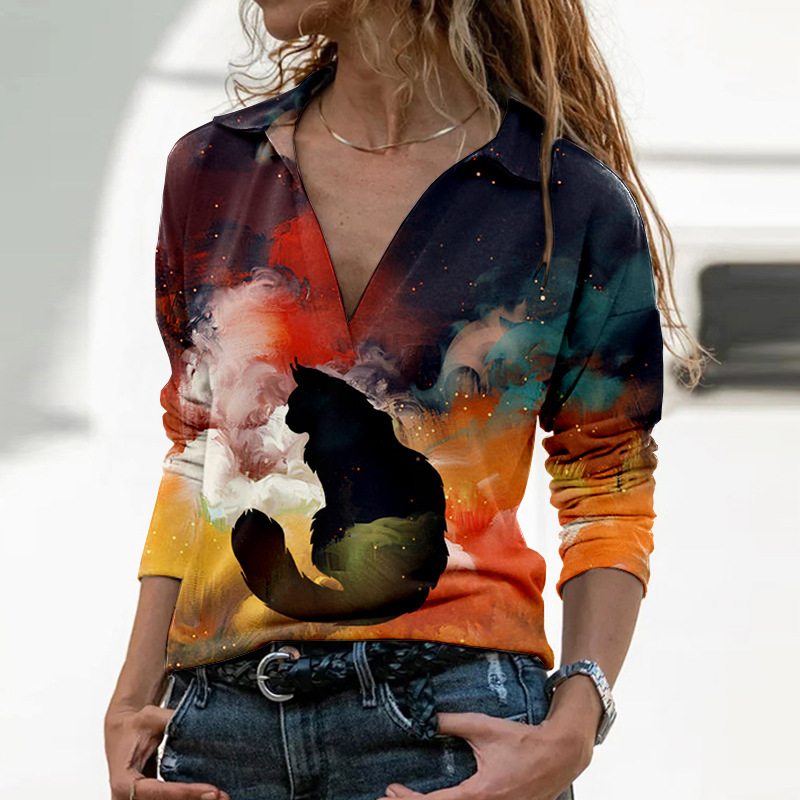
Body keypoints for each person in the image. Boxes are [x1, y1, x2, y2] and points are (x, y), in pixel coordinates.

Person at [104, 2, 705, 799]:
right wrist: (131, 699)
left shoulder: (564, 199)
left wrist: (576, 721)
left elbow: (607, 482)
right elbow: (195, 448)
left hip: (453, 724)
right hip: (219, 728)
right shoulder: (213, 170)